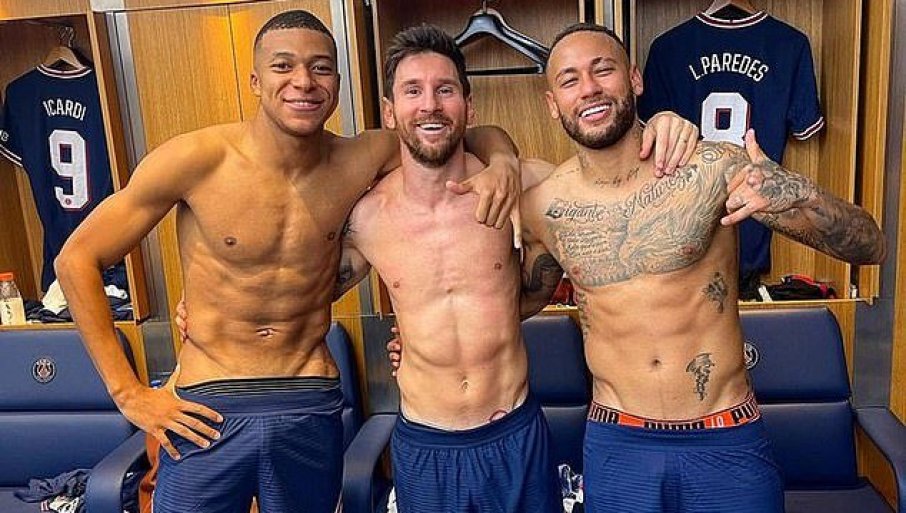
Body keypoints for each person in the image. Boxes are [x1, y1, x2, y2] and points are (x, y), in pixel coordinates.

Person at [54, 10, 527, 513]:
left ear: (337, 83)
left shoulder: (360, 158)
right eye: (283, 66)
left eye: (320, 68)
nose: (303, 81)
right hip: (208, 401)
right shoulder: (196, 159)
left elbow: (450, 132)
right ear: (256, 81)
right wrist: (128, 392)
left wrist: (504, 162)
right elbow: (77, 259)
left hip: (308, 396)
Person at [326, 25, 697, 513]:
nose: (430, 105)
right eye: (413, 91)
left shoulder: (524, 187)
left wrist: (665, 124)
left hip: (515, 437)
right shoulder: (367, 218)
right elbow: (296, 295)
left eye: (445, 90)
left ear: (469, 106)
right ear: (390, 111)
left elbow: (616, 184)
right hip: (426, 445)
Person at [516, 23, 885, 513]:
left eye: (603, 70)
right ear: (552, 103)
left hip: (725, 439)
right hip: (618, 446)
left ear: (634, 79)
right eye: (570, 79)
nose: (589, 88)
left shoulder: (712, 167)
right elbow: (511, 305)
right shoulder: (545, 207)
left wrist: (795, 192)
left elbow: (870, 245)